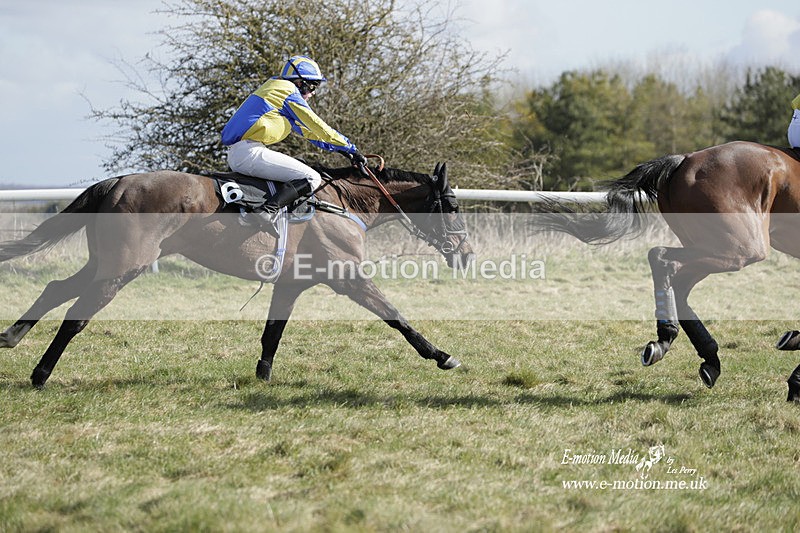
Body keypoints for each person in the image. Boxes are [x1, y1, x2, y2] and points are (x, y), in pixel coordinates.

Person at [221, 55, 366, 236]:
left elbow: (310, 134)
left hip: (242, 153)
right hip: (249, 152)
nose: (312, 93)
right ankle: (266, 212)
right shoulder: (287, 91)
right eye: (312, 86)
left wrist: (343, 151)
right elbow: (317, 126)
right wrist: (350, 147)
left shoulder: (277, 90)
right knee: (312, 178)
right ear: (299, 82)